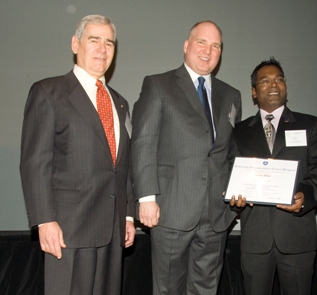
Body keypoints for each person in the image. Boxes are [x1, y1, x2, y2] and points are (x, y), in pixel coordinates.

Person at [19, 15, 135, 295]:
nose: (102, 48)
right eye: (94, 40)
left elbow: (123, 166)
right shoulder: (49, 92)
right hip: (68, 229)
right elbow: (35, 163)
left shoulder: (119, 102)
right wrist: (44, 220)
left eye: (109, 42)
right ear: (75, 44)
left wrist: (128, 216)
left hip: (112, 229)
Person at [131, 20, 242, 294]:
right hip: (171, 209)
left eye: (215, 45)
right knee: (169, 288)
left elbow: (229, 152)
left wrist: (239, 189)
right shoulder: (158, 85)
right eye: (201, 42)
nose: (208, 50)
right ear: (186, 46)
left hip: (216, 214)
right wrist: (146, 198)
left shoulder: (231, 95)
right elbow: (143, 143)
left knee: (206, 288)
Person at [229, 57, 317, 294]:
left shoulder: (309, 124)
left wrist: (306, 196)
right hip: (255, 238)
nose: (274, 85)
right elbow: (230, 173)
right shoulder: (240, 131)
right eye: (265, 81)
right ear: (254, 92)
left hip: (297, 237)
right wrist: (234, 198)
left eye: (279, 79)